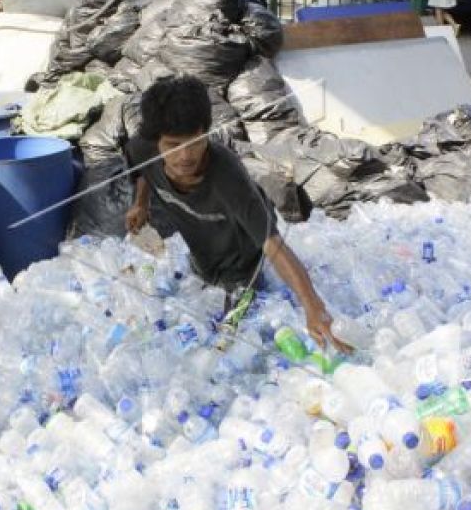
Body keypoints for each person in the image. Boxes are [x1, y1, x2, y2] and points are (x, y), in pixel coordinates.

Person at [124, 75, 349, 352]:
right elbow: (142, 171)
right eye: (173, 145)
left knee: (230, 337)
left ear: (207, 132)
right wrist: (141, 204)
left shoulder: (228, 177)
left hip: (242, 255)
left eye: (195, 142)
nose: (185, 156)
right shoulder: (141, 148)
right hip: (202, 249)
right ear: (156, 142)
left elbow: (273, 245)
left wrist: (313, 305)